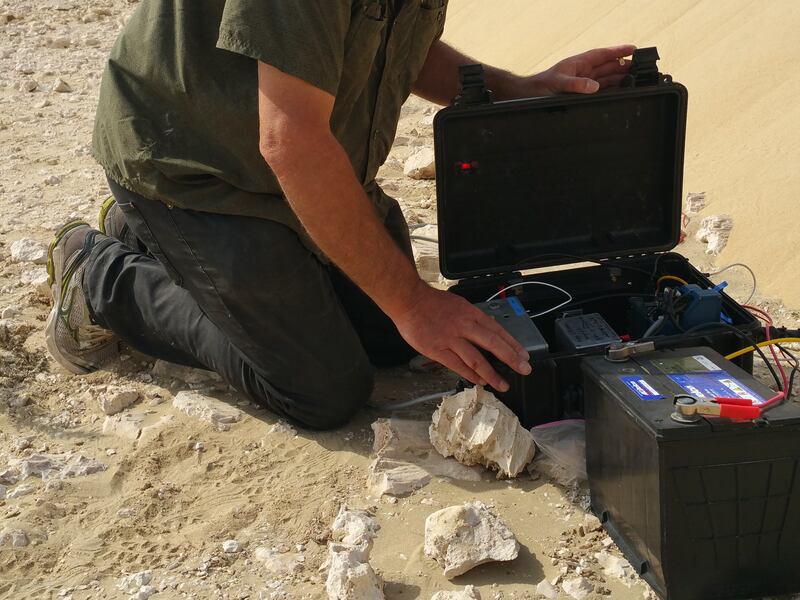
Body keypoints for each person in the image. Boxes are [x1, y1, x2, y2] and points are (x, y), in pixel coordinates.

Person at [44, 0, 634, 430]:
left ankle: (154, 241)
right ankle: (99, 275)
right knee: (321, 386)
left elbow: (402, 42)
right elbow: (292, 141)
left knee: (387, 341)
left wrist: (515, 89)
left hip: (300, 165)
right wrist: (413, 302)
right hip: (191, 165)